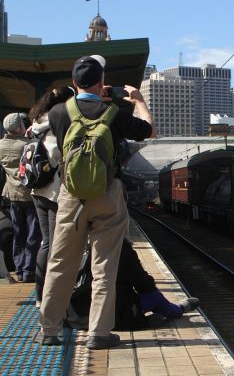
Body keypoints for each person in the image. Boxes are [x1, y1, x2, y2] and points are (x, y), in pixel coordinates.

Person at [37, 55, 156, 349]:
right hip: (108, 194)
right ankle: (98, 333)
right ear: (102, 82)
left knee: (60, 263)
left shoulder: (57, 113)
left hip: (71, 196)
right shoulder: (114, 112)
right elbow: (148, 130)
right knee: (104, 266)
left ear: (74, 82)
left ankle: (48, 330)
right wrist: (139, 101)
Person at [67, 238, 199, 331]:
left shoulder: (75, 244)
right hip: (113, 318)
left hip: (75, 315)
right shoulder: (119, 247)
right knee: (155, 297)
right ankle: (177, 309)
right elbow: (144, 285)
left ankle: (168, 310)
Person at [28, 87, 75, 305]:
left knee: (46, 243)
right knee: (55, 246)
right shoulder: (57, 123)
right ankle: (51, 298)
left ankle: (40, 296)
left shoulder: (36, 123)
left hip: (37, 190)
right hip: (55, 192)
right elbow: (56, 156)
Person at [0, 113, 42, 283]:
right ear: (19, 128)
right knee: (33, 234)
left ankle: (18, 268)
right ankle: (28, 270)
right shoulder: (29, 144)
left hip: (11, 194)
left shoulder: (1, 145)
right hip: (29, 195)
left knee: (18, 233)